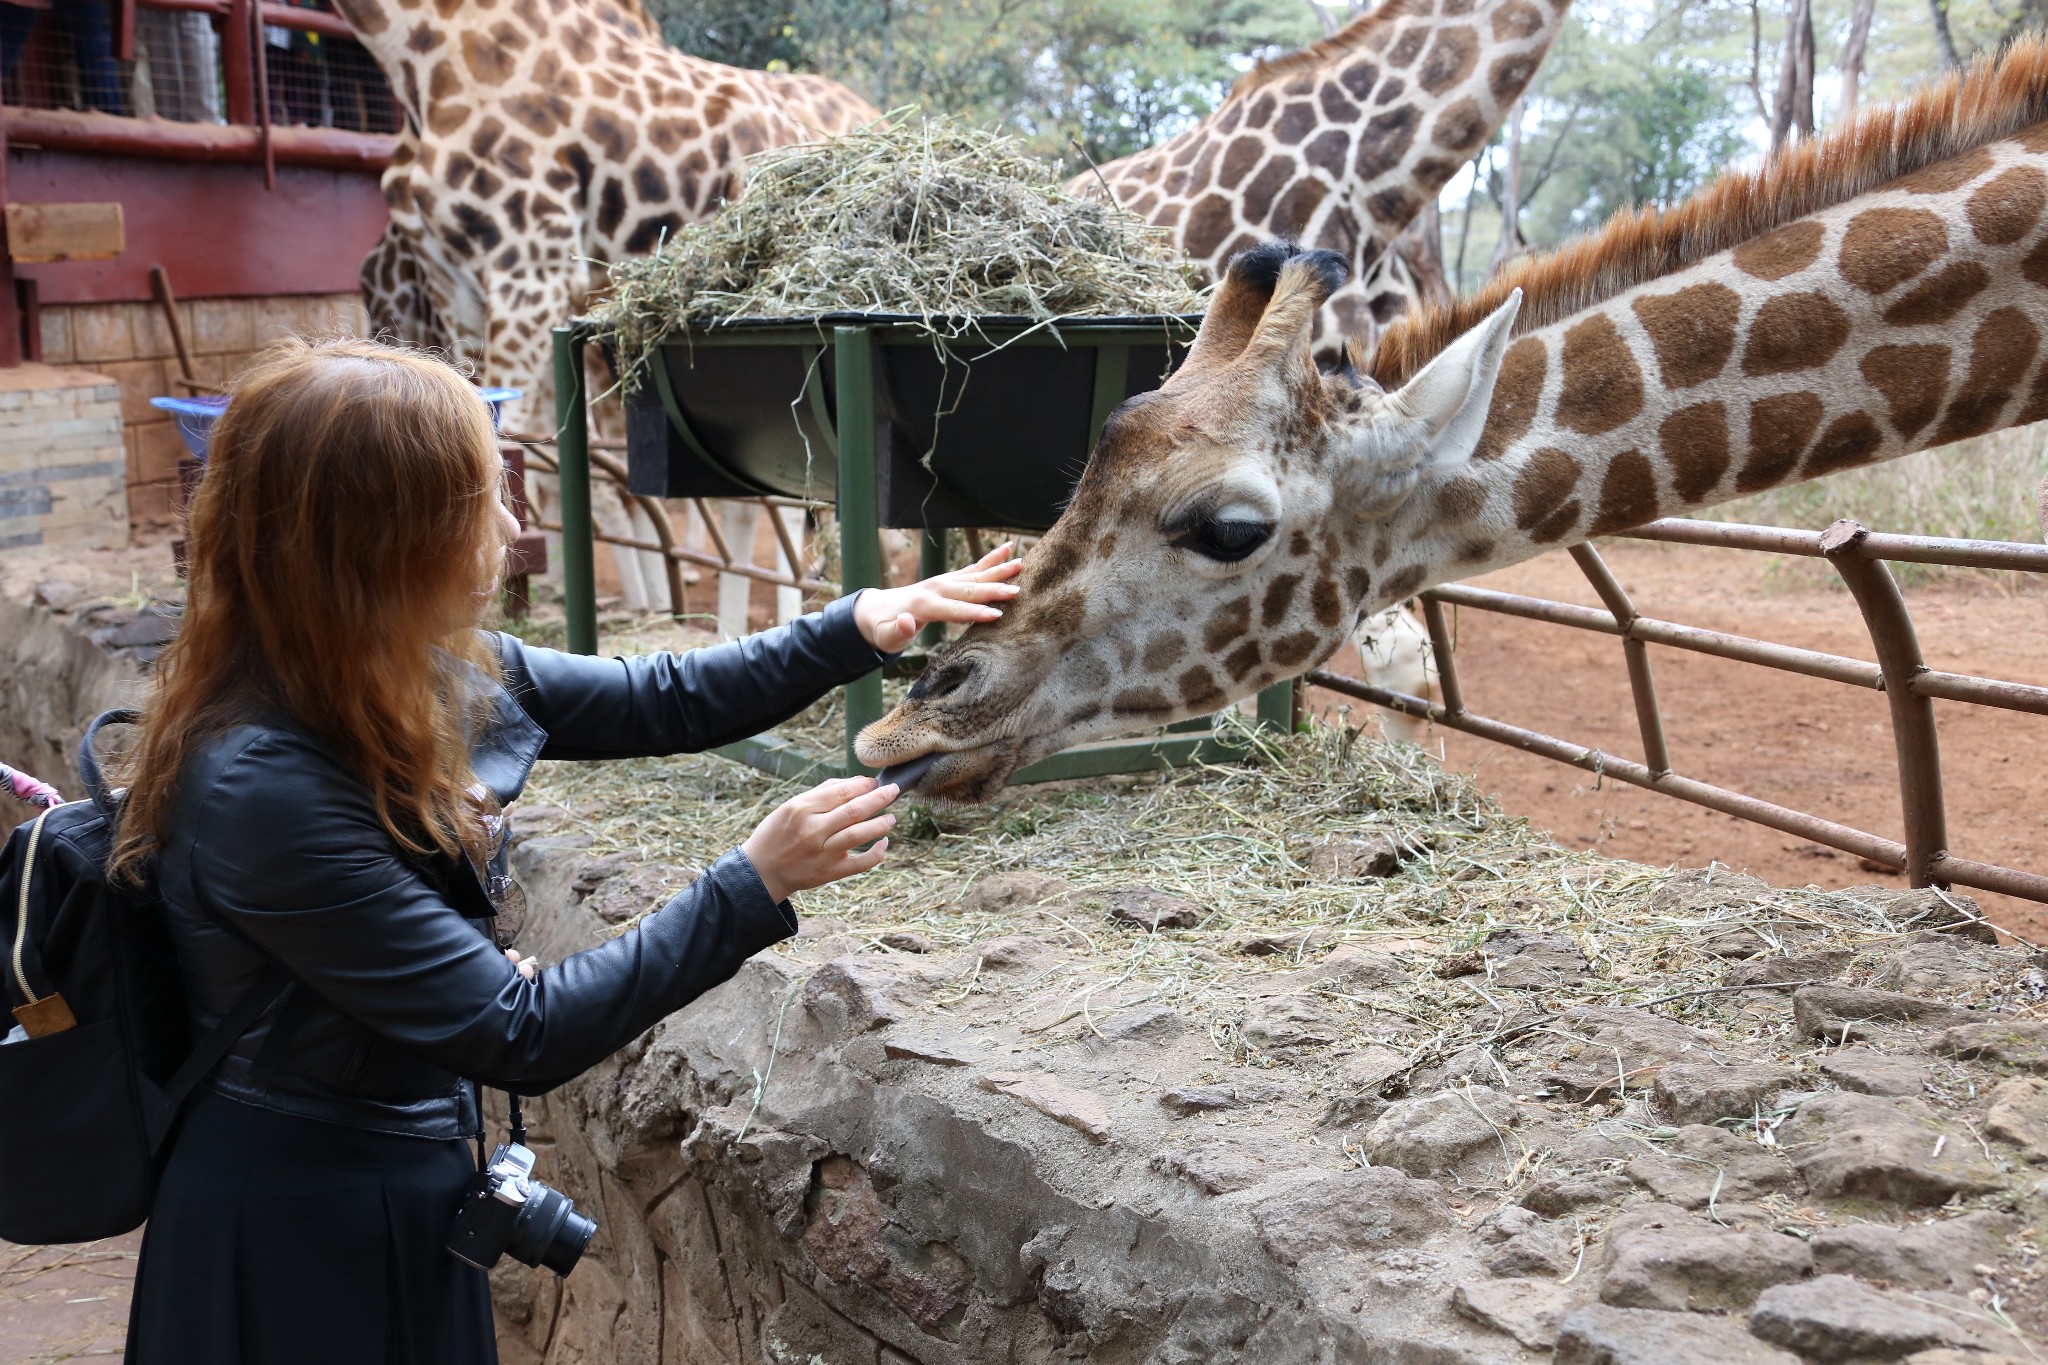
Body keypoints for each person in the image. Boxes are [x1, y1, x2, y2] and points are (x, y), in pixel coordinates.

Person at [112, 336, 1021, 1365]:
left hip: (393, 1168)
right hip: (294, 1219)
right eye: (477, 504)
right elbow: (518, 1032)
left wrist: (860, 623)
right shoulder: (260, 786)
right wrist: (753, 881)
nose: (510, 527)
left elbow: (659, 700)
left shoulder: (410, 664)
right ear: (379, 540)